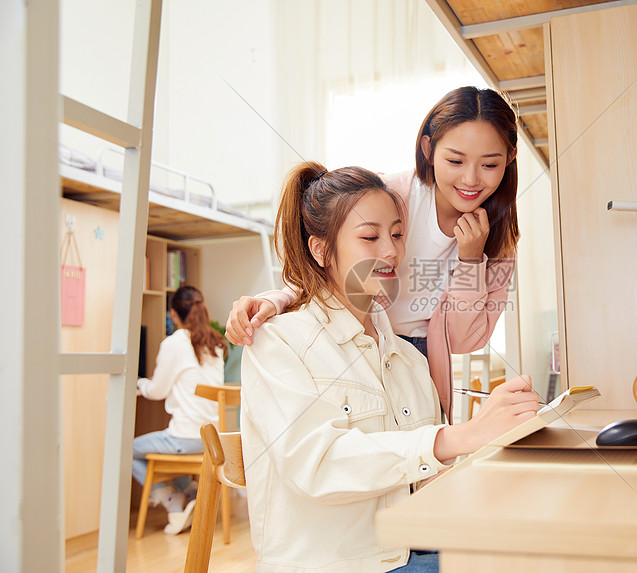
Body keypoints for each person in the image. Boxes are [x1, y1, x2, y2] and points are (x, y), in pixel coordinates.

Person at [241, 162, 538, 572]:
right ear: (321, 250)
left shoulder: (410, 360)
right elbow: (317, 463)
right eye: (370, 237)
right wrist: (461, 436)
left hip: (410, 552)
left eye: (398, 235)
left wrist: (492, 443)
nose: (391, 251)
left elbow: (427, 484)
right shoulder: (277, 341)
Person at [228, 86, 520, 422]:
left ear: (509, 158)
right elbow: (333, 258)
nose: (470, 178)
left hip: (420, 359)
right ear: (428, 148)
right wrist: (278, 299)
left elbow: (463, 340)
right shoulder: (390, 195)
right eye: (455, 160)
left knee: (422, 460)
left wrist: (471, 259)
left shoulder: (499, 241)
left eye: (490, 164)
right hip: (358, 342)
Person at [134, 285, 227, 535]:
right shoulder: (214, 343)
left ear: (173, 314)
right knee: (167, 447)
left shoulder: (174, 343)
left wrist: (140, 381)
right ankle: (190, 493)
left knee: (128, 450)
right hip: (212, 437)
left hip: (187, 437)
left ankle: (173, 503)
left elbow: (157, 391)